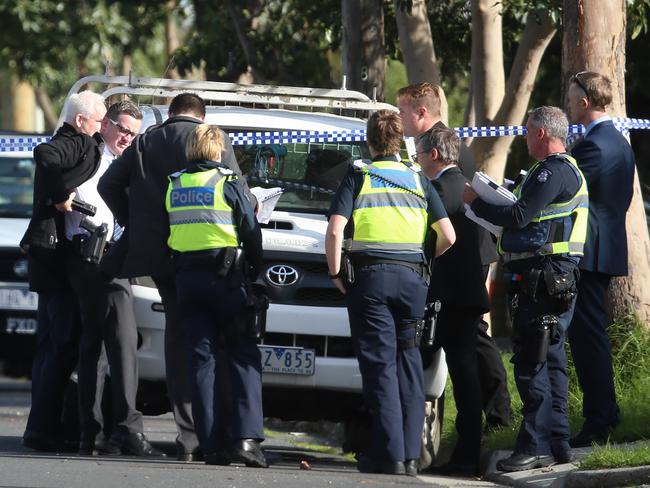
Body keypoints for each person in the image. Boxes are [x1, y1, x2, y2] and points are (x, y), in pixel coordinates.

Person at [98, 93, 256, 461]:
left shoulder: (147, 141)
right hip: (206, 254)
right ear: (202, 116)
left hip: (159, 255)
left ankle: (188, 437)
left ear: (169, 114)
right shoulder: (210, 138)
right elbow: (240, 194)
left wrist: (133, 222)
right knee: (208, 343)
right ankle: (205, 432)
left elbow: (108, 185)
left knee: (179, 337)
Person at [326, 109, 456, 476]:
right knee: (409, 363)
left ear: (369, 141)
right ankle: (412, 456)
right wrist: (423, 262)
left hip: (370, 281)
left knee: (380, 365)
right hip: (412, 280)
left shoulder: (359, 174)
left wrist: (336, 271)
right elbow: (449, 235)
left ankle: (390, 454)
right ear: (401, 141)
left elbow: (336, 230)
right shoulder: (418, 179)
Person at [464, 106, 588, 471]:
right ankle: (558, 442)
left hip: (544, 276)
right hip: (552, 276)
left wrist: (477, 204)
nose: (523, 137)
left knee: (533, 363)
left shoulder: (553, 171)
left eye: (527, 131)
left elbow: (519, 216)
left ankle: (534, 445)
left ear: (540, 134)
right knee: (550, 361)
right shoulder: (555, 170)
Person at [397, 82, 513, 431]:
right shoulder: (436, 142)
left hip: (464, 253)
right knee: (466, 338)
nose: (399, 117)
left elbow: (453, 202)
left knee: (470, 338)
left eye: (402, 110)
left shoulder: (441, 145)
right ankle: (486, 418)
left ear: (421, 112)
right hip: (462, 250)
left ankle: (497, 415)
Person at [64, 100, 162, 457]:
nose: (126, 138)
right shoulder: (90, 159)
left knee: (97, 347)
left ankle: (91, 433)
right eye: (121, 129)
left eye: (132, 134)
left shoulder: (127, 163)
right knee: (122, 344)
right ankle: (126, 429)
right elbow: (84, 203)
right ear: (104, 125)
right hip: (95, 255)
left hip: (109, 259)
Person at [166, 124, 267, 467]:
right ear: (218, 151)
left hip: (188, 281)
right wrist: (257, 270)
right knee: (243, 356)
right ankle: (247, 440)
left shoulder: (175, 183)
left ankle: (210, 445)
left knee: (202, 363)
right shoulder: (226, 182)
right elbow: (250, 230)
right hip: (227, 279)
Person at [20, 90, 106, 452]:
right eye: (99, 121)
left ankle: (42, 426)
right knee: (60, 345)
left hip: (48, 260)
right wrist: (60, 195)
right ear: (81, 120)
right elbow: (45, 154)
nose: (102, 128)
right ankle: (43, 429)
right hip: (55, 262)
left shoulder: (82, 141)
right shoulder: (72, 140)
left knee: (50, 347)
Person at [565, 71, 635, 447]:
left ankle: (600, 419)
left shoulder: (595, 146)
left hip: (590, 252)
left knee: (587, 338)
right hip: (603, 248)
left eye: (572, 96)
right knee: (590, 336)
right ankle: (602, 414)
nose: (568, 102)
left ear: (585, 102)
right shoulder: (618, 142)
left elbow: (568, 190)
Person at [415, 127, 486, 476]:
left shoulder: (441, 189)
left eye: (419, 152)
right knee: (464, 375)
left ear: (435, 155)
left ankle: (411, 447)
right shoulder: (464, 186)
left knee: (424, 371)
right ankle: (466, 453)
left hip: (447, 298)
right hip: (466, 295)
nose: (416, 158)